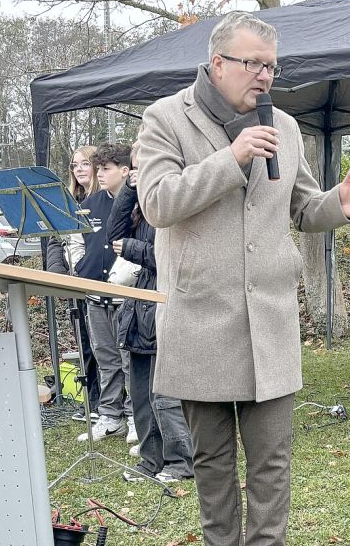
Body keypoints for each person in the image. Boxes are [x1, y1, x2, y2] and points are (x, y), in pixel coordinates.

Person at [137, 11, 350, 546]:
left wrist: (338, 204)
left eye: (272, 66)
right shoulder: (166, 118)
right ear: (218, 64)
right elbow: (156, 203)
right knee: (212, 466)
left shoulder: (284, 126)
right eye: (253, 64)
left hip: (269, 321)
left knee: (272, 464)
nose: (265, 76)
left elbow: (304, 207)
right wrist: (230, 159)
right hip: (201, 322)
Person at [107, 141, 194, 483]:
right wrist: (130, 189)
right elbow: (113, 234)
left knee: (166, 394)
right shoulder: (141, 199)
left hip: (169, 301)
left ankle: (180, 462)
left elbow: (178, 257)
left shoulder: (177, 193)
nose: (139, 164)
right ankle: (150, 461)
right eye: (135, 159)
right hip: (141, 304)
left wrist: (133, 248)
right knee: (140, 393)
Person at [75, 143, 136, 444]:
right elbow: (75, 238)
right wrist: (77, 264)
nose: (99, 174)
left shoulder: (138, 203)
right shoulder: (91, 203)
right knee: (106, 358)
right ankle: (111, 416)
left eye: (105, 169)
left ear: (125, 171)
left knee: (129, 359)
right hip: (94, 294)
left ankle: (137, 416)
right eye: (97, 168)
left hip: (126, 295)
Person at [47, 145, 102, 422]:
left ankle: (110, 404)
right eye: (74, 165)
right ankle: (92, 400)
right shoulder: (69, 202)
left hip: (93, 279)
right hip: (71, 282)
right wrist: (57, 271)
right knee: (83, 343)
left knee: (99, 345)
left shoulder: (101, 201)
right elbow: (56, 240)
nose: (78, 169)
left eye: (84, 164)